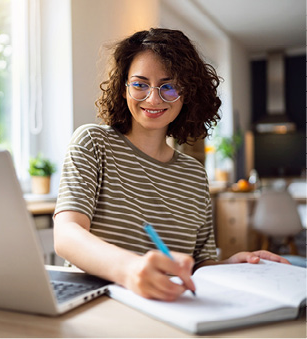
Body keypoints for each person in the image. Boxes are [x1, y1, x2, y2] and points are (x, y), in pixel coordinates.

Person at [53, 28, 289, 301]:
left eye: (169, 86)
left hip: (168, 306)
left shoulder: (194, 175)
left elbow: (200, 264)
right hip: (95, 302)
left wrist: (231, 267)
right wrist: (130, 270)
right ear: (123, 87)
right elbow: (67, 235)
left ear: (187, 93)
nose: (153, 99)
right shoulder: (93, 142)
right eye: (140, 84)